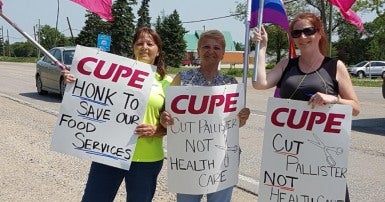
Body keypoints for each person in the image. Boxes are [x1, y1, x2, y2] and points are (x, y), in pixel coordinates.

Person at [252, 12, 360, 201]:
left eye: (308, 31)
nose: (302, 37)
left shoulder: (335, 66)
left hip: (323, 156)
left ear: (319, 33)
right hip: (290, 154)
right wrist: (261, 47)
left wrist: (334, 99)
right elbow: (260, 83)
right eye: (296, 33)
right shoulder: (287, 64)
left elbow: (355, 107)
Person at [63, 26, 172, 202]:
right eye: (139, 43)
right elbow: (89, 92)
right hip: (108, 152)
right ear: (133, 48)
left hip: (146, 159)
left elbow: (172, 124)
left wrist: (156, 129)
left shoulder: (167, 83)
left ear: (158, 50)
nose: (144, 47)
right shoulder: (114, 74)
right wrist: (74, 80)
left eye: (150, 43)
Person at [160, 30, 250, 202]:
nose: (211, 51)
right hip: (189, 159)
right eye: (206, 46)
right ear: (198, 51)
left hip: (223, 159)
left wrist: (243, 118)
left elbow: (236, 124)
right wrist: (165, 119)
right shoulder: (182, 78)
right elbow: (166, 116)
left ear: (223, 53)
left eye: (216, 48)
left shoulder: (231, 84)